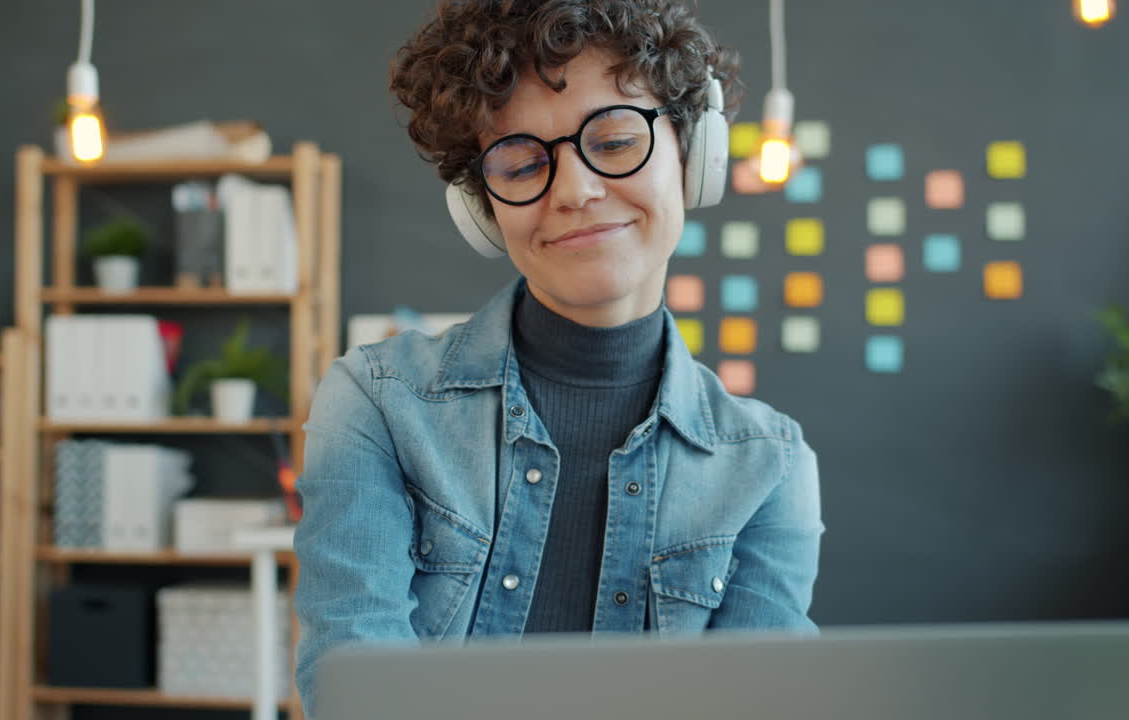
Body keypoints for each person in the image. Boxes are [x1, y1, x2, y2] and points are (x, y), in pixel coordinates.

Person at [293, 0, 824, 715]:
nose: (575, 191)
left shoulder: (770, 465)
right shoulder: (376, 403)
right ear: (483, 207)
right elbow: (356, 688)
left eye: (612, 140)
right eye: (519, 161)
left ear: (695, 154)